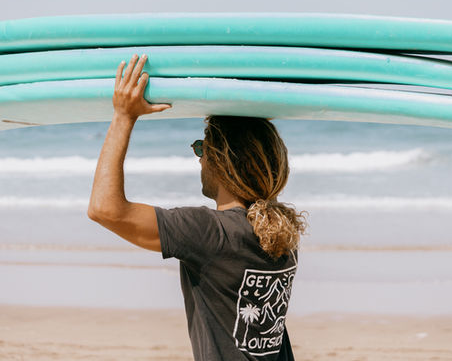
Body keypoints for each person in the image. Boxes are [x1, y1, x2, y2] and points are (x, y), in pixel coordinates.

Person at [88, 53, 308, 360]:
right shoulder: (282, 233)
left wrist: (124, 116)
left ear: (221, 161)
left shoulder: (209, 234)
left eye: (202, 148)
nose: (200, 159)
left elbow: (104, 209)